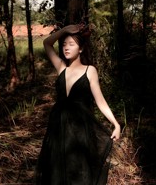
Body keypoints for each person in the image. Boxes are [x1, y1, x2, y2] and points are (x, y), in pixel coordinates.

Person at [35, 24, 121, 185]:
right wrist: (65, 30)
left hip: (80, 127)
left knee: (78, 167)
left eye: (71, 44)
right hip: (58, 125)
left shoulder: (90, 71)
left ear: (80, 49)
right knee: (56, 166)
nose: (66, 48)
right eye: (64, 44)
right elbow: (47, 43)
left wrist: (115, 124)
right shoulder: (61, 68)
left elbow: (100, 100)